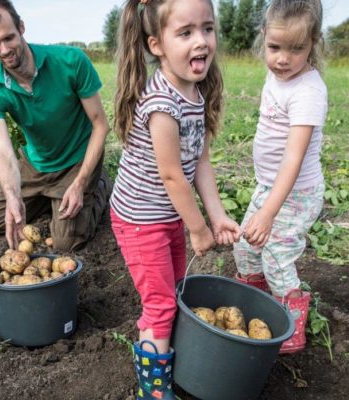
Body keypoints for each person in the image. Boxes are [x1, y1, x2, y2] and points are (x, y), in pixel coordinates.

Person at [110, 0, 242, 397]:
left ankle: (161, 340)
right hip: (139, 219)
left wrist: (216, 216)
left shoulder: (194, 94)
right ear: (156, 45)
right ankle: (152, 391)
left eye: (207, 28)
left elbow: (199, 161)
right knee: (162, 304)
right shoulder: (162, 105)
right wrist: (198, 229)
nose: (200, 41)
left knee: (172, 292)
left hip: (166, 214)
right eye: (185, 33)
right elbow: (171, 175)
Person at [0, 0, 111, 252]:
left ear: (21, 27)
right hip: (36, 165)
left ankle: (99, 185)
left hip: (77, 161)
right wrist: (13, 198)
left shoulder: (71, 61)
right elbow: (3, 152)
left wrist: (80, 183)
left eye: (8, 38)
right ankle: (51, 198)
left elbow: (100, 125)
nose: (3, 50)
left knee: (65, 243)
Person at [232, 0, 327, 354]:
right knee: (245, 247)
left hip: (296, 192)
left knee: (275, 254)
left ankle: (292, 325)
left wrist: (268, 213)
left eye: (296, 49)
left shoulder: (309, 91)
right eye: (274, 48)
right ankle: (258, 303)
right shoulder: (277, 75)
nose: (283, 58)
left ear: (313, 43)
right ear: (263, 39)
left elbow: (294, 158)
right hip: (269, 187)